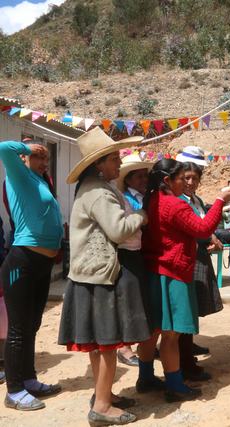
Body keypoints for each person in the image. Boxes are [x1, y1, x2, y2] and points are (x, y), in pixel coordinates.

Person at [57, 127, 148, 426]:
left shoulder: (92, 188)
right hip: (99, 277)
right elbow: (119, 230)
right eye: (114, 158)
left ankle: (102, 394)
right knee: (108, 345)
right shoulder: (98, 192)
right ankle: (103, 407)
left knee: (98, 345)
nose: (119, 164)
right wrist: (141, 217)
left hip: (88, 275)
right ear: (99, 164)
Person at [136, 159, 230, 403]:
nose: (187, 183)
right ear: (168, 181)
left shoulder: (151, 200)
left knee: (153, 331)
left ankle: (146, 377)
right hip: (173, 273)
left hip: (153, 271)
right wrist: (222, 200)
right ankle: (174, 384)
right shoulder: (174, 205)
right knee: (172, 334)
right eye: (182, 178)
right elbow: (202, 229)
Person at [0, 139, 63, 411]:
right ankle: (14, 391)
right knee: (17, 328)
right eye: (38, 155)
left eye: (45, 156)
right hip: (21, 262)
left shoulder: (39, 180)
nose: (43, 160)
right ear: (24, 158)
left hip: (41, 264)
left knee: (32, 325)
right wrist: (28, 148)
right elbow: (4, 148)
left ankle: (28, 378)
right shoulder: (18, 176)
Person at [177, 161, 224, 382]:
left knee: (193, 309)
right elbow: (194, 228)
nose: (190, 182)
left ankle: (187, 357)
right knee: (186, 312)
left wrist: (211, 239)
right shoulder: (179, 202)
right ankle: (184, 363)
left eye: (194, 178)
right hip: (189, 261)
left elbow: (204, 227)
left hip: (200, 257)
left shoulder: (196, 201)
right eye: (186, 178)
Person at [114, 153, 154, 368]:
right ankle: (124, 348)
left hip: (141, 252)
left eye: (144, 176)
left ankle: (140, 344)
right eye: (138, 176)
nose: (143, 180)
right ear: (128, 180)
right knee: (127, 299)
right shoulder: (126, 199)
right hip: (127, 252)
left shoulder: (144, 196)